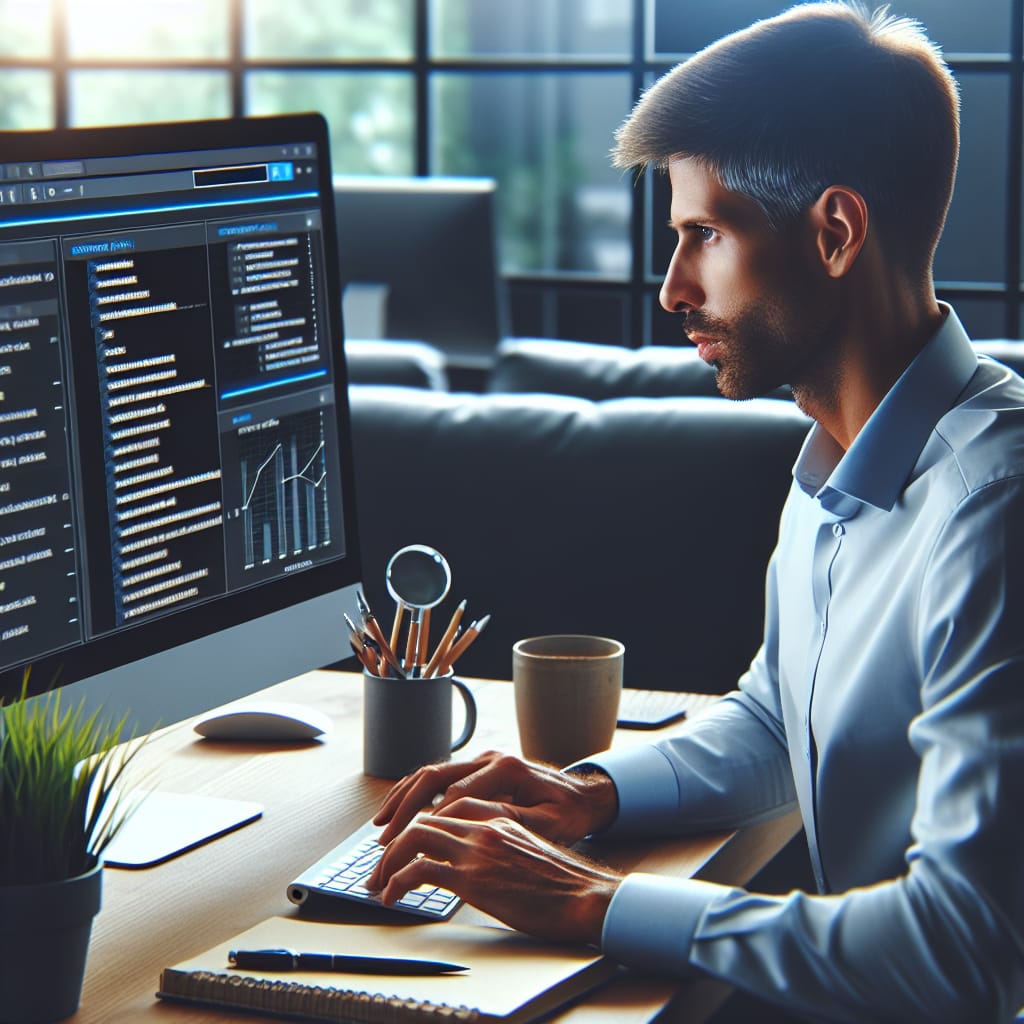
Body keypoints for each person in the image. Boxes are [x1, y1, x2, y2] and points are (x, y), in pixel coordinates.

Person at [366, 3, 1024, 1020]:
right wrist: (590, 792)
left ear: (834, 232)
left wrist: (595, 901)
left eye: (703, 235)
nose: (672, 289)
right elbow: (775, 718)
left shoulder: (993, 511)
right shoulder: (838, 460)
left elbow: (965, 948)